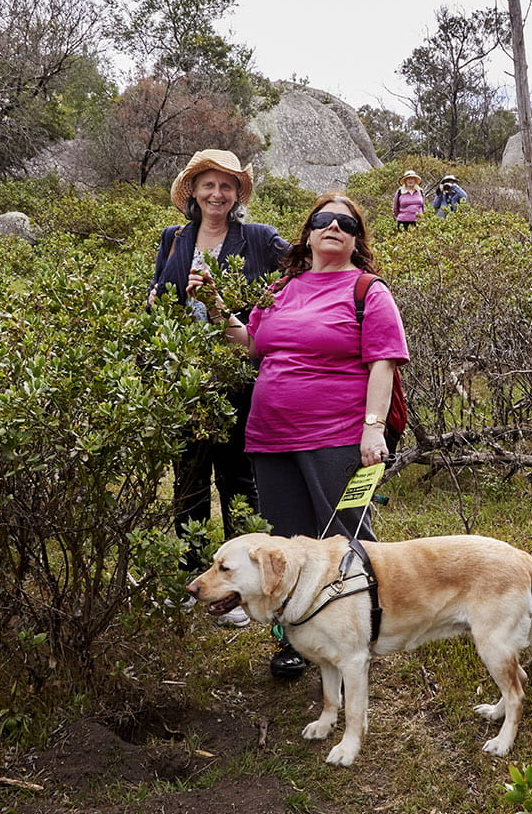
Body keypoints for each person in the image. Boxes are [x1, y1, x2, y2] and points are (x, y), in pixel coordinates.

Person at [201, 193, 408, 678]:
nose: (333, 226)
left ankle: (359, 634)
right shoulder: (281, 287)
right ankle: (294, 638)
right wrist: (213, 303)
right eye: (323, 219)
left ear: (357, 239)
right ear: (308, 233)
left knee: (344, 540)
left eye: (346, 222)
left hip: (336, 436)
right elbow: (253, 344)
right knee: (284, 547)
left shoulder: (367, 290)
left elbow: (384, 362)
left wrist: (372, 429)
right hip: (270, 436)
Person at [147, 149, 289, 627]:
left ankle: (237, 590)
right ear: (194, 192)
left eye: (226, 186)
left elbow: (296, 278)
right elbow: (155, 300)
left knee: (237, 480)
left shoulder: (259, 240)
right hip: (185, 378)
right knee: (187, 481)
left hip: (239, 377)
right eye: (208, 185)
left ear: (237, 194)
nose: (217, 194)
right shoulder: (173, 239)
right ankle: (192, 578)